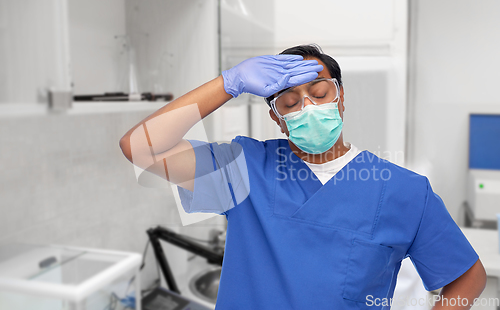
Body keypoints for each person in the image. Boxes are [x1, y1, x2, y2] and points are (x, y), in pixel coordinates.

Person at [119, 44, 486, 309]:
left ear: (340, 98)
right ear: (276, 118)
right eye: (290, 102)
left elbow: (467, 277)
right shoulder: (244, 167)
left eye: (320, 92)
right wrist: (229, 83)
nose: (307, 106)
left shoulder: (404, 191)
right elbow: (140, 147)